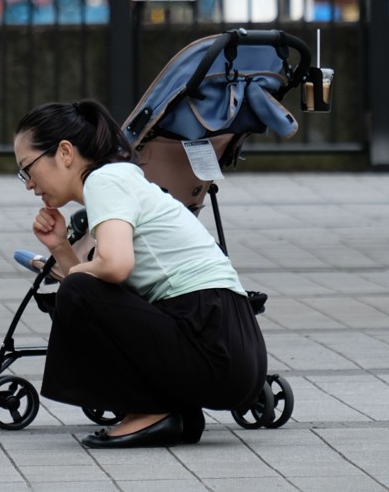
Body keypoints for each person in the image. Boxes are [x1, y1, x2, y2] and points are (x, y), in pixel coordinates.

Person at [14, 99, 268, 448]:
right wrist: (60, 247)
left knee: (75, 289)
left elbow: (114, 268)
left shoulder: (105, 181)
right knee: (77, 289)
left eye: (27, 169)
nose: (28, 184)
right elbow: (98, 289)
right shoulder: (120, 179)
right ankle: (172, 413)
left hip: (212, 339)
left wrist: (75, 276)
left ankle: (149, 411)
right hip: (231, 349)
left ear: (65, 152)